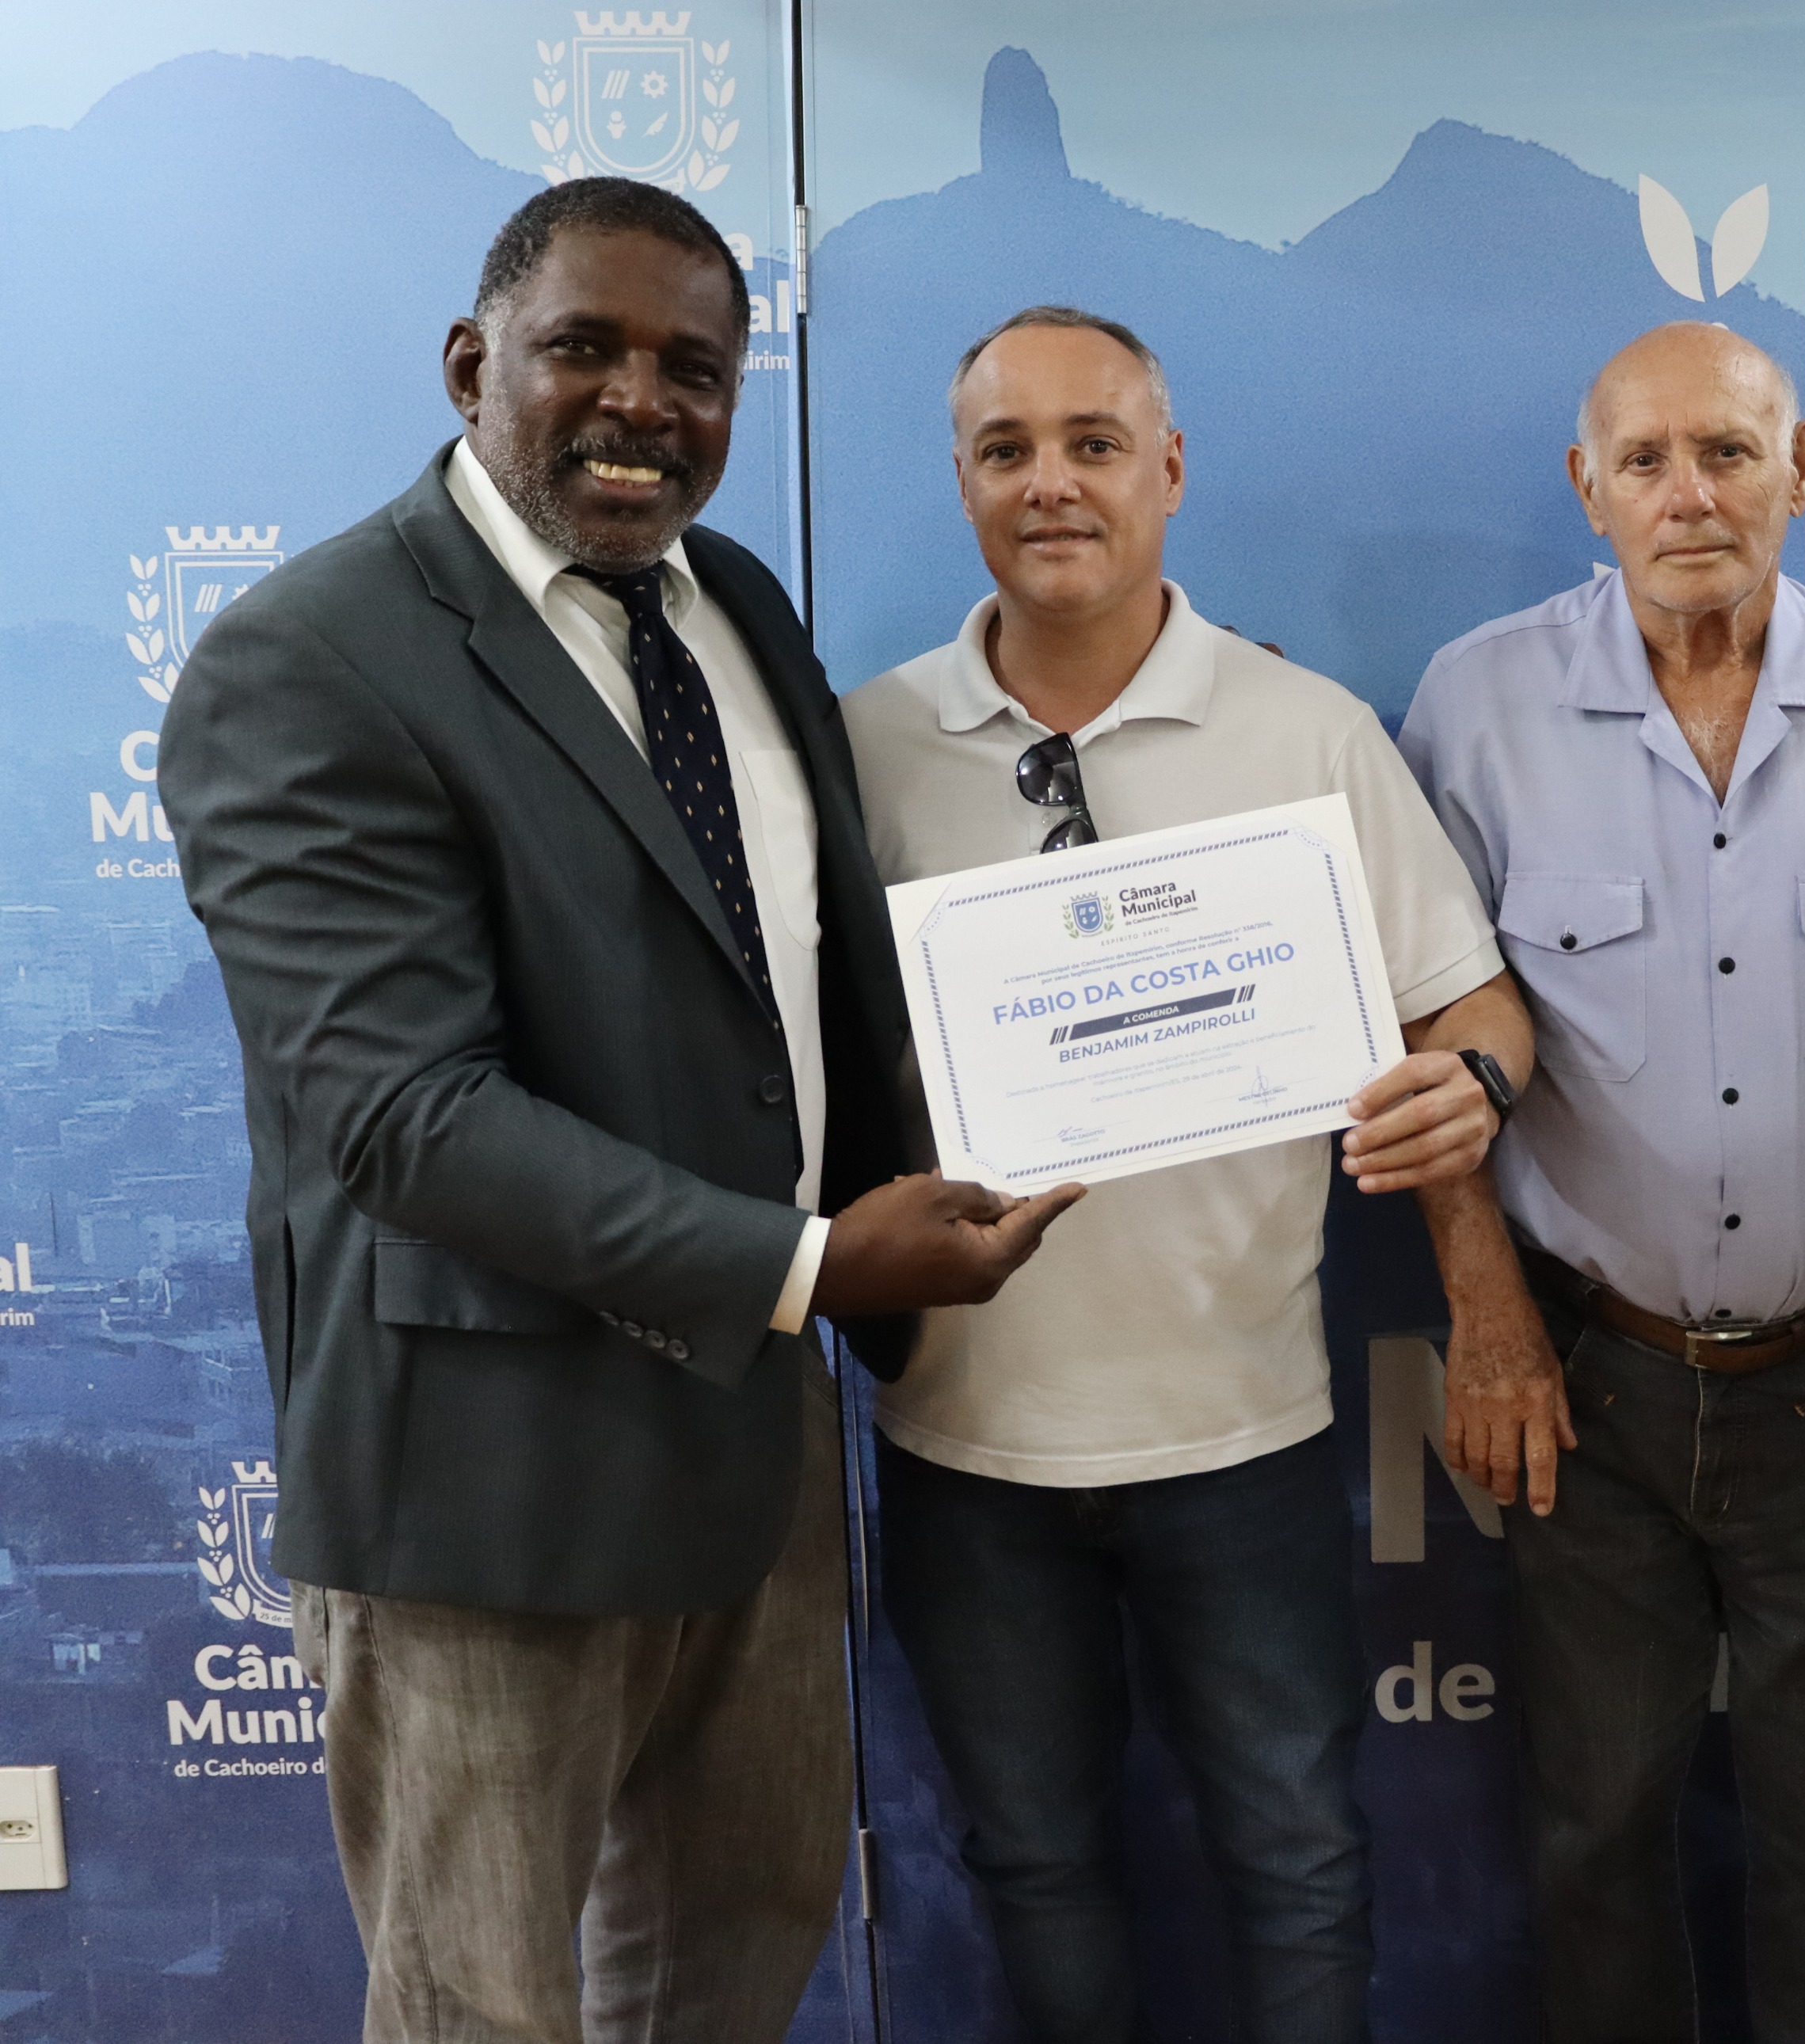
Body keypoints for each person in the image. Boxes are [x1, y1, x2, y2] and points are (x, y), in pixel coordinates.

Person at [155, 179, 1080, 2044]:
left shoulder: (734, 604)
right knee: (484, 2012)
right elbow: (405, 1115)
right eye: (586, 347)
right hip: (483, 1491)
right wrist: (807, 1263)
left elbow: (797, 987)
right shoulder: (312, 656)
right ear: (470, 362)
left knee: (734, 1969)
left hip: (751, 1454)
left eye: (695, 367)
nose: (642, 403)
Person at [841, 304, 1528, 2044]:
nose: (1050, 484)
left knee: (1298, 1858)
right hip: (967, 1445)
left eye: (1093, 444)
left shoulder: (1306, 730)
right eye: (1006, 449)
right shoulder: (863, 747)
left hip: (1243, 1434)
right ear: (960, 480)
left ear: (1169, 468)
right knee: (1036, 1864)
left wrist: (1470, 1089)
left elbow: (1474, 1004)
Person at [1398, 322, 1805, 2044]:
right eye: (1645, 461)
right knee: (1595, 1843)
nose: (1688, 495)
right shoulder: (1476, 706)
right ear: (1588, 489)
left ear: (1802, 467)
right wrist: (1484, 1316)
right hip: (1583, 1377)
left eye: (1729, 452)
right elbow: (1424, 1032)